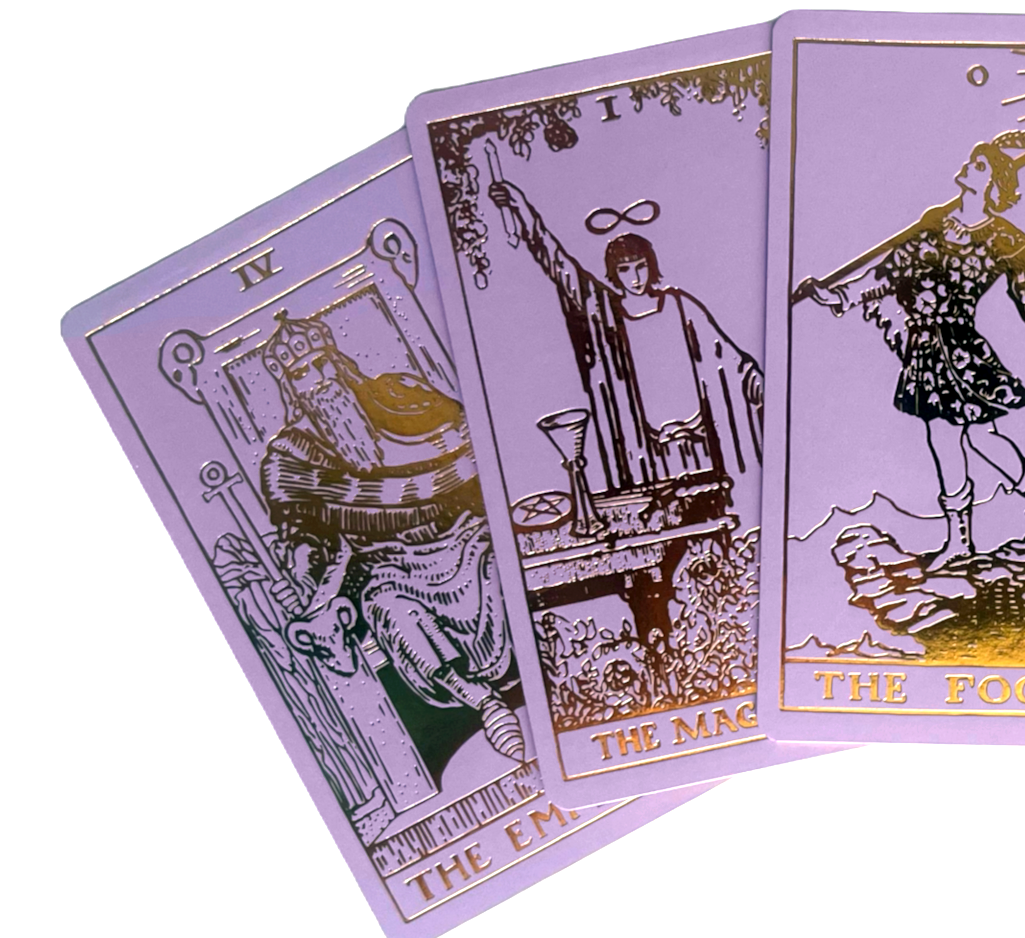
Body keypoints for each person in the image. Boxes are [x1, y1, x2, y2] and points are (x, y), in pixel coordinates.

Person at [798, 138, 1025, 565]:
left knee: (971, 438)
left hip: (959, 350)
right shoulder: (935, 223)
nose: (968, 165)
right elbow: (890, 271)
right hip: (925, 350)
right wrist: (841, 296)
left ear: (994, 183)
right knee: (958, 439)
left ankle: (1008, 524)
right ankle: (1020, 518)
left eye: (980, 165)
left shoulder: (1000, 236)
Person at [258, 310, 525, 763]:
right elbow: (301, 532)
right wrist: (304, 568)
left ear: (338, 361)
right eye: (302, 375)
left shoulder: (400, 393)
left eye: (322, 364)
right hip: (389, 567)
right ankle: (482, 701)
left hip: (466, 539)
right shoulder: (288, 457)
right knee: (388, 607)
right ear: (291, 389)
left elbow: (471, 436)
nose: (319, 380)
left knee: (507, 561)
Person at [487, 177, 763, 514]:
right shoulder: (605, 311)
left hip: (702, 441)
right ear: (613, 274)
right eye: (624, 269)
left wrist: (765, 387)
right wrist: (521, 209)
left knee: (716, 515)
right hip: (648, 452)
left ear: (652, 266)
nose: (634, 277)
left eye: (641, 267)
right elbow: (561, 267)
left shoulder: (681, 307)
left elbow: (729, 359)